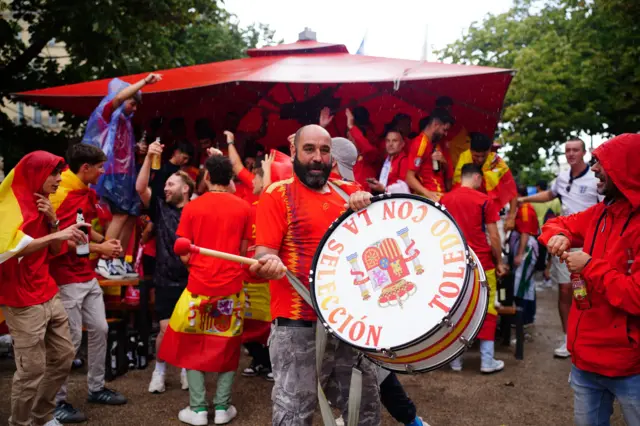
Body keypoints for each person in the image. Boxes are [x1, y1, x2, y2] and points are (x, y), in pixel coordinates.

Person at [250, 124, 381, 426]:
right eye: (309, 149)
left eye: (324, 150)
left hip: (349, 325)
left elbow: (374, 249)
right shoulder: (277, 195)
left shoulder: (348, 193)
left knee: (365, 409)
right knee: (294, 414)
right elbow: (262, 257)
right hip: (297, 327)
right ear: (294, 151)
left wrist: (366, 208)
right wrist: (266, 265)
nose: (317, 157)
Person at [539, 133, 640, 426]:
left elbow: (634, 297)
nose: (594, 168)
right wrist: (557, 235)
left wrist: (589, 265)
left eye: (601, 163)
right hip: (585, 362)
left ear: (625, 168)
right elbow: (554, 223)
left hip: (629, 366)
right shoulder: (600, 213)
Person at [330, 138, 425, 426]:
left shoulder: (348, 195)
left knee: (365, 364)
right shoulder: (350, 192)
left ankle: (408, 419)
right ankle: (409, 419)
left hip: (347, 296)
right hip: (350, 295)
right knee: (366, 364)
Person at [158, 154, 251, 426]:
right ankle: (222, 407)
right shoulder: (244, 207)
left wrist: (198, 266)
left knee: (192, 344)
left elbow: (183, 252)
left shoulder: (193, 208)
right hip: (232, 289)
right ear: (230, 177)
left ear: (207, 176)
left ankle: (197, 409)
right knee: (227, 345)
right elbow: (242, 253)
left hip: (198, 287)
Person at [0, 151, 89, 426]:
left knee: (64, 356)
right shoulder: (9, 207)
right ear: (36, 174)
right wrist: (58, 232)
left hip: (48, 292)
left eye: (60, 173)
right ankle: (21, 422)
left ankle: (41, 415)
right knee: (32, 371)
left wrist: (53, 221)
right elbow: (9, 251)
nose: (60, 179)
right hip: (21, 300)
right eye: (53, 173)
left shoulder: (45, 203)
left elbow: (55, 249)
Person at [49, 144, 128, 423]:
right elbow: (61, 240)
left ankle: (96, 388)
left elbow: (82, 228)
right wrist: (101, 249)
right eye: (99, 166)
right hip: (66, 279)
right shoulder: (65, 193)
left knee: (100, 329)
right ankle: (55, 403)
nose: (102, 171)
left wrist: (102, 241)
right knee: (68, 342)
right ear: (85, 168)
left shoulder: (79, 190)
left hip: (84, 275)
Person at [519, 138, 601, 358]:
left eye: (575, 150)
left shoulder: (596, 177)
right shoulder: (562, 177)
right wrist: (523, 199)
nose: (571, 154)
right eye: (567, 150)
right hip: (564, 242)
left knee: (587, 293)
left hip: (591, 245)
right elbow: (550, 194)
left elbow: (605, 208)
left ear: (584, 153)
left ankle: (590, 337)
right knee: (565, 290)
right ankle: (569, 338)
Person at [82, 73, 162, 280]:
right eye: (132, 104)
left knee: (131, 215)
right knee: (120, 215)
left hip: (126, 174)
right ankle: (103, 259)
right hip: (111, 175)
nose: (134, 109)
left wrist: (136, 149)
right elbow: (117, 99)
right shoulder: (109, 112)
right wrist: (144, 82)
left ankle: (117, 260)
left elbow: (119, 148)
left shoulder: (125, 122)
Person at [136, 141, 195, 394]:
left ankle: (184, 368)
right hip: (165, 279)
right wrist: (149, 157)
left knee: (189, 329)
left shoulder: (196, 210)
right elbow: (140, 188)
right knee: (165, 329)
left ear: (186, 188)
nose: (166, 188)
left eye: (171, 184)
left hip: (192, 278)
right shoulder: (160, 208)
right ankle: (159, 370)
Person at [440, 164, 508, 373]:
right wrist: (498, 261)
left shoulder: (445, 199)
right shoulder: (484, 200)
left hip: (454, 264)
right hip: (482, 263)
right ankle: (487, 361)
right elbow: (494, 236)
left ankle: (455, 361)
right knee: (486, 308)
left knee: (457, 308)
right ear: (477, 177)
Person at [453, 132, 518, 231]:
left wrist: (511, 218)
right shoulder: (464, 158)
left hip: (495, 211)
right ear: (470, 151)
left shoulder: (497, 162)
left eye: (483, 156)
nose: (480, 159)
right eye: (476, 156)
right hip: (470, 212)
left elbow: (512, 191)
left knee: (497, 241)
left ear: (489, 150)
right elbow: (457, 188)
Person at [405, 109, 455, 201]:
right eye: (444, 130)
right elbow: (409, 177)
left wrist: (444, 162)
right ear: (436, 124)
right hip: (429, 200)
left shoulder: (436, 143)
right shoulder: (420, 143)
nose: (446, 133)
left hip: (441, 195)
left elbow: (447, 175)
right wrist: (428, 194)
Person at [509, 185, 540, 326]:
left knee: (521, 283)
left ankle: (523, 318)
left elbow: (525, 233)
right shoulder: (524, 208)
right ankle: (528, 317)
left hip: (526, 248)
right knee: (527, 283)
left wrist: (519, 254)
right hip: (526, 246)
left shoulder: (525, 209)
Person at [366, 129, 410, 194]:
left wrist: (384, 189)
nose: (390, 144)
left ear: (402, 144)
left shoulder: (404, 160)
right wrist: (377, 184)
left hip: (396, 202)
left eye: (394, 141)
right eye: (388, 141)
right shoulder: (387, 159)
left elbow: (404, 187)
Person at [434, 96, 470, 169]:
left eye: (448, 108)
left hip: (454, 170)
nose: (448, 111)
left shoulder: (459, 129)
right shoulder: (431, 129)